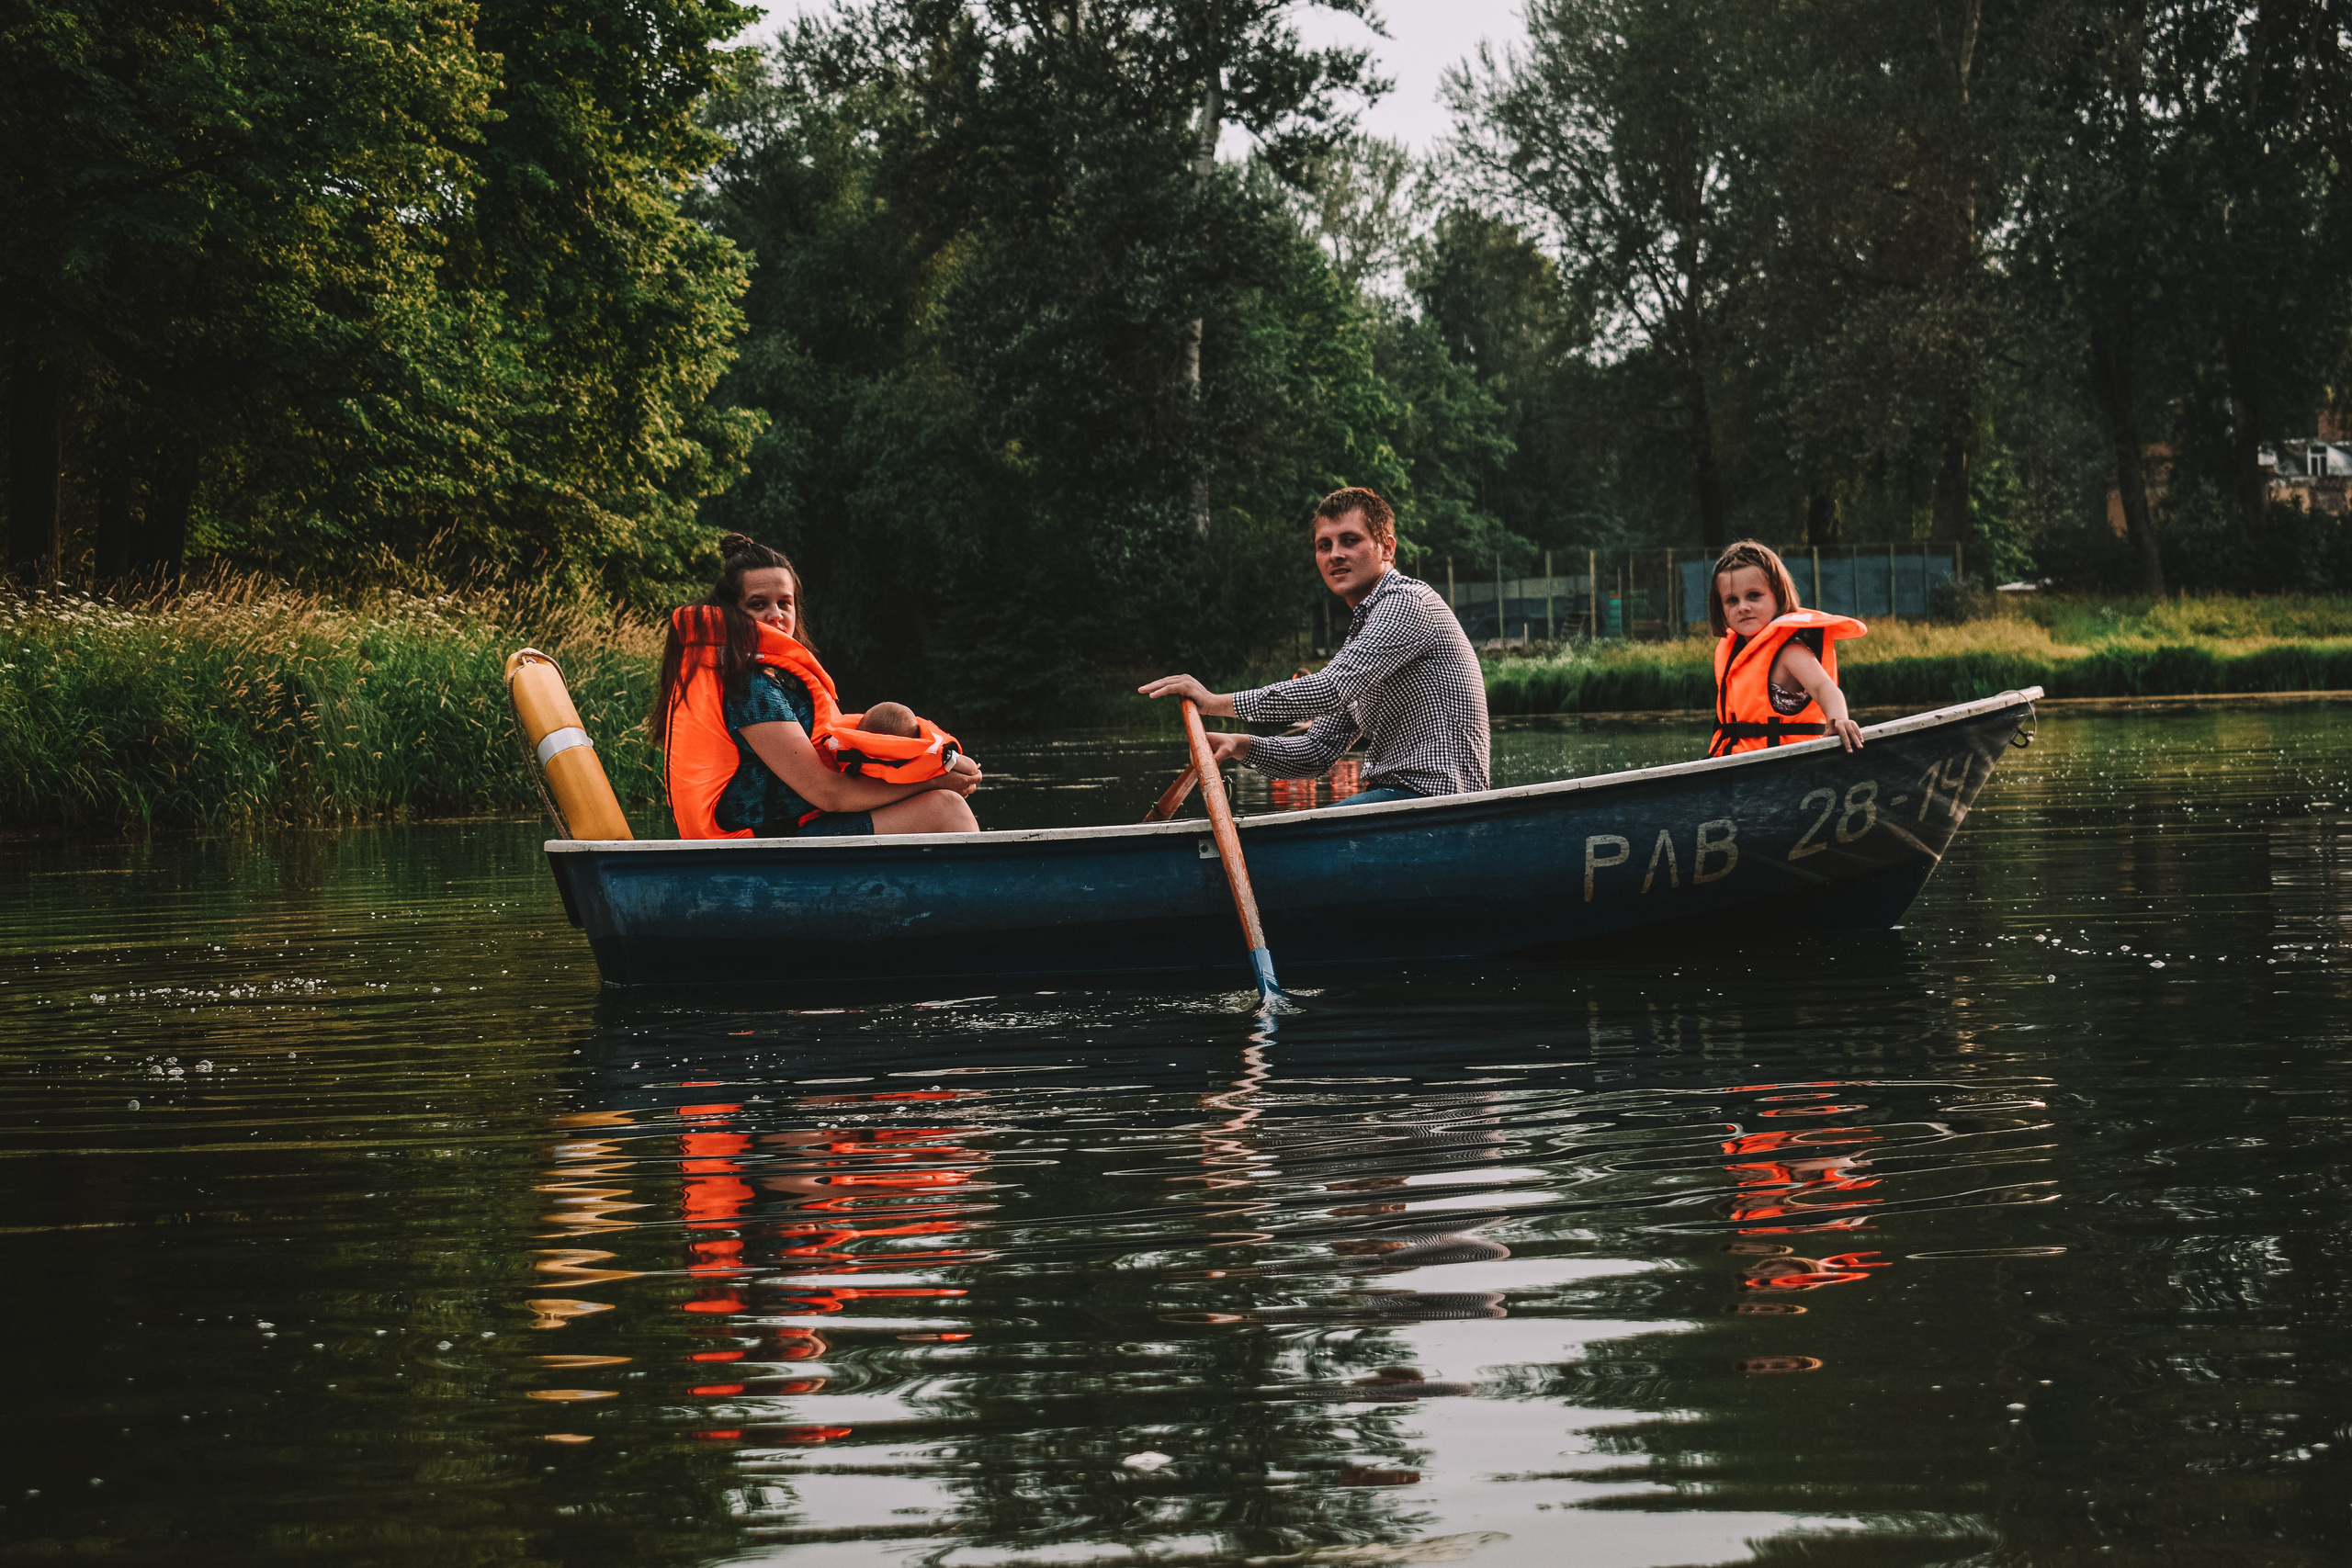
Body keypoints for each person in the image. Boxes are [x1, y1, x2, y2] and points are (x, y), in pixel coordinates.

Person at [1137, 487, 1489, 804]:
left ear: (1387, 548)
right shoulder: (1366, 633)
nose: (1335, 554)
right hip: (1399, 800)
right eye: (1325, 545)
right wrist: (1240, 745)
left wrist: (1216, 703)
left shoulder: (1407, 602)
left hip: (1435, 802)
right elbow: (1318, 749)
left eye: (1350, 540)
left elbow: (1331, 688)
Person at [650, 534, 980, 838]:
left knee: (941, 796)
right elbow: (828, 793)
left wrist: (938, 766)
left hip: (802, 826)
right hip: (763, 845)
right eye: (757, 604)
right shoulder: (749, 689)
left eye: (785, 602)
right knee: (945, 808)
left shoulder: (780, 679)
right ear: (732, 613)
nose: (776, 615)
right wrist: (934, 782)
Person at [1706, 540, 1868, 757]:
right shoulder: (1734, 652)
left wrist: (1839, 718)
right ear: (1721, 608)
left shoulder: (1789, 651)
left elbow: (1823, 687)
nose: (1743, 607)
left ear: (1778, 595)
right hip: (1735, 768)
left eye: (1754, 596)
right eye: (1732, 600)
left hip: (1786, 765)